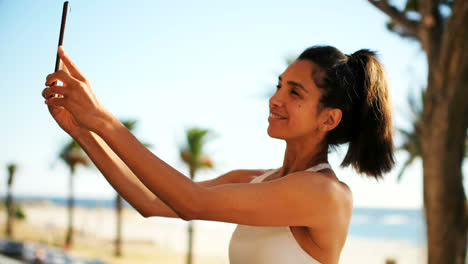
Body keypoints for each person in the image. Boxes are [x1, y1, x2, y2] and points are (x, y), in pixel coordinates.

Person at [41, 45, 394, 264]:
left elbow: (191, 202)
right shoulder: (254, 181)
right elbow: (151, 201)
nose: (276, 99)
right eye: (278, 85)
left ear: (329, 118)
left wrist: (102, 119)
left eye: (295, 92)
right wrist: (81, 130)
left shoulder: (326, 195)